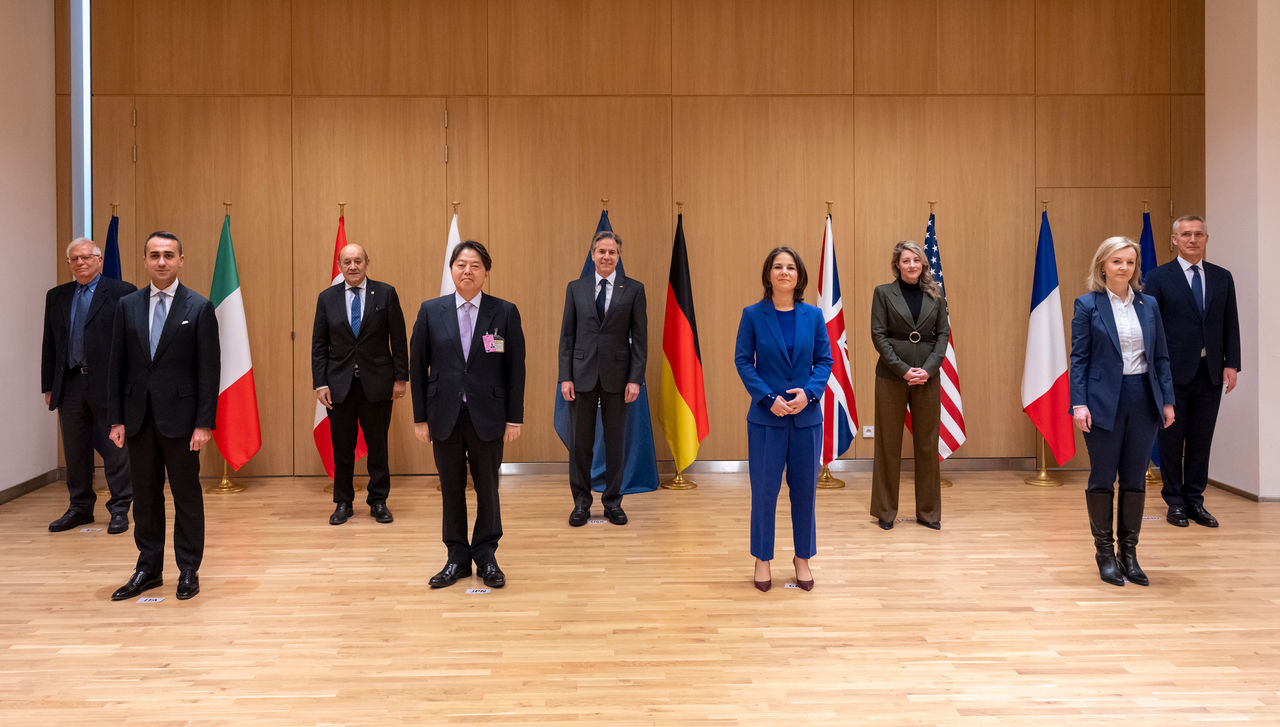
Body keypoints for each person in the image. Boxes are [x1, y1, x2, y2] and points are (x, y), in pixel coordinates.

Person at [107, 232, 219, 601]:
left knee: (186, 495)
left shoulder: (199, 307)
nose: (161, 261)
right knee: (146, 495)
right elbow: (116, 367)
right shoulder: (127, 306)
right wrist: (116, 419)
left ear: (181, 260)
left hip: (183, 422)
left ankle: (188, 568)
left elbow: (209, 371)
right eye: (154, 255)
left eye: (169, 255)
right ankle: (148, 568)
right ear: (144, 261)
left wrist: (204, 423)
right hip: (138, 419)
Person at [411, 241, 526, 589]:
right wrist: (420, 418)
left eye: (475, 265)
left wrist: (514, 417)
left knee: (488, 488)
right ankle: (457, 558)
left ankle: (487, 555)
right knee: (451, 489)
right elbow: (418, 368)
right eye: (461, 264)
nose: (467, 271)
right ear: (451, 270)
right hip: (443, 414)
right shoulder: (431, 311)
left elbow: (515, 369)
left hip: (488, 415)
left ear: (486, 273)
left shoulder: (504, 312)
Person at [1070, 236, 1175, 587]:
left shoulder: (1150, 305)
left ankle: (1129, 553)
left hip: (1142, 398)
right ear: (1103, 265)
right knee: (1102, 478)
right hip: (1102, 402)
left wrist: (1167, 400)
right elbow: (1080, 359)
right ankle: (1104, 552)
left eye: (1130, 262)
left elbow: (1160, 356)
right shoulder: (1087, 305)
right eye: (1117, 261)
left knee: (1134, 480)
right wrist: (1079, 402)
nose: (1124, 268)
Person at [734, 246, 832, 592]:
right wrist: (768, 398)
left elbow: (824, 361)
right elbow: (743, 360)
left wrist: (809, 393)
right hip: (766, 420)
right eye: (778, 266)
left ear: (799, 275)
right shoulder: (752, 315)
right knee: (764, 492)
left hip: (806, 420)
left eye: (791, 267)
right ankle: (763, 559)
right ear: (769, 274)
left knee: (805, 492)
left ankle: (802, 558)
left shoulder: (814, 316)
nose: (784, 272)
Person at [1141, 215, 1241, 528]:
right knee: (1172, 439)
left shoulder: (1222, 277)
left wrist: (1232, 363)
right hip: (1171, 371)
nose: (1192, 240)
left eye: (1198, 234)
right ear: (1174, 240)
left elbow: (1230, 323)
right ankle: (1175, 502)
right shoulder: (1157, 277)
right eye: (1186, 234)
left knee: (1201, 439)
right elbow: (1150, 327)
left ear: (1206, 239)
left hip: (1210, 370)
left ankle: (1195, 501)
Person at [41, 238, 136, 534]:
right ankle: (80, 507)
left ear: (98, 259)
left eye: (86, 257)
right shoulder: (56, 296)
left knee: (115, 448)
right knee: (75, 450)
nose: (80, 263)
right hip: (68, 384)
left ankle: (120, 508)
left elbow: (132, 345)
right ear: (69, 263)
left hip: (108, 386)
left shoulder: (123, 293)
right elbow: (49, 344)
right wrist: (48, 386)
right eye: (74, 259)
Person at [311, 244, 409, 526]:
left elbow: (398, 339)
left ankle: (378, 501)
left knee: (378, 445)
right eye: (347, 262)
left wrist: (400, 378)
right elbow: (318, 345)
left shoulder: (386, 293)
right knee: (342, 447)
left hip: (378, 384)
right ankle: (343, 502)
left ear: (367, 262)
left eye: (358, 261)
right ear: (340, 266)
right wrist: (321, 383)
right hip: (338, 385)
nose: (352, 267)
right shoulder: (327, 298)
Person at [557, 230, 647, 527]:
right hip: (580, 376)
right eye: (601, 251)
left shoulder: (633, 289)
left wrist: (635, 378)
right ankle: (581, 503)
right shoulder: (575, 288)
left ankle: (612, 502)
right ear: (592, 255)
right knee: (580, 444)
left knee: (615, 443)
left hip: (618, 378)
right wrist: (565, 377)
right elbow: (567, 337)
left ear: (618, 257)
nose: (606, 256)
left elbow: (640, 338)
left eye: (612, 252)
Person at [868, 240, 950, 531]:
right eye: (905, 261)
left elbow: (943, 336)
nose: (911, 265)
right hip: (891, 376)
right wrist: (903, 370)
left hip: (928, 377)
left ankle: (929, 513)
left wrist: (927, 370)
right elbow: (878, 335)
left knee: (927, 445)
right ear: (897, 265)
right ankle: (885, 512)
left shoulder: (936, 295)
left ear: (923, 264)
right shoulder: (883, 293)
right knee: (888, 444)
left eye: (916, 260)